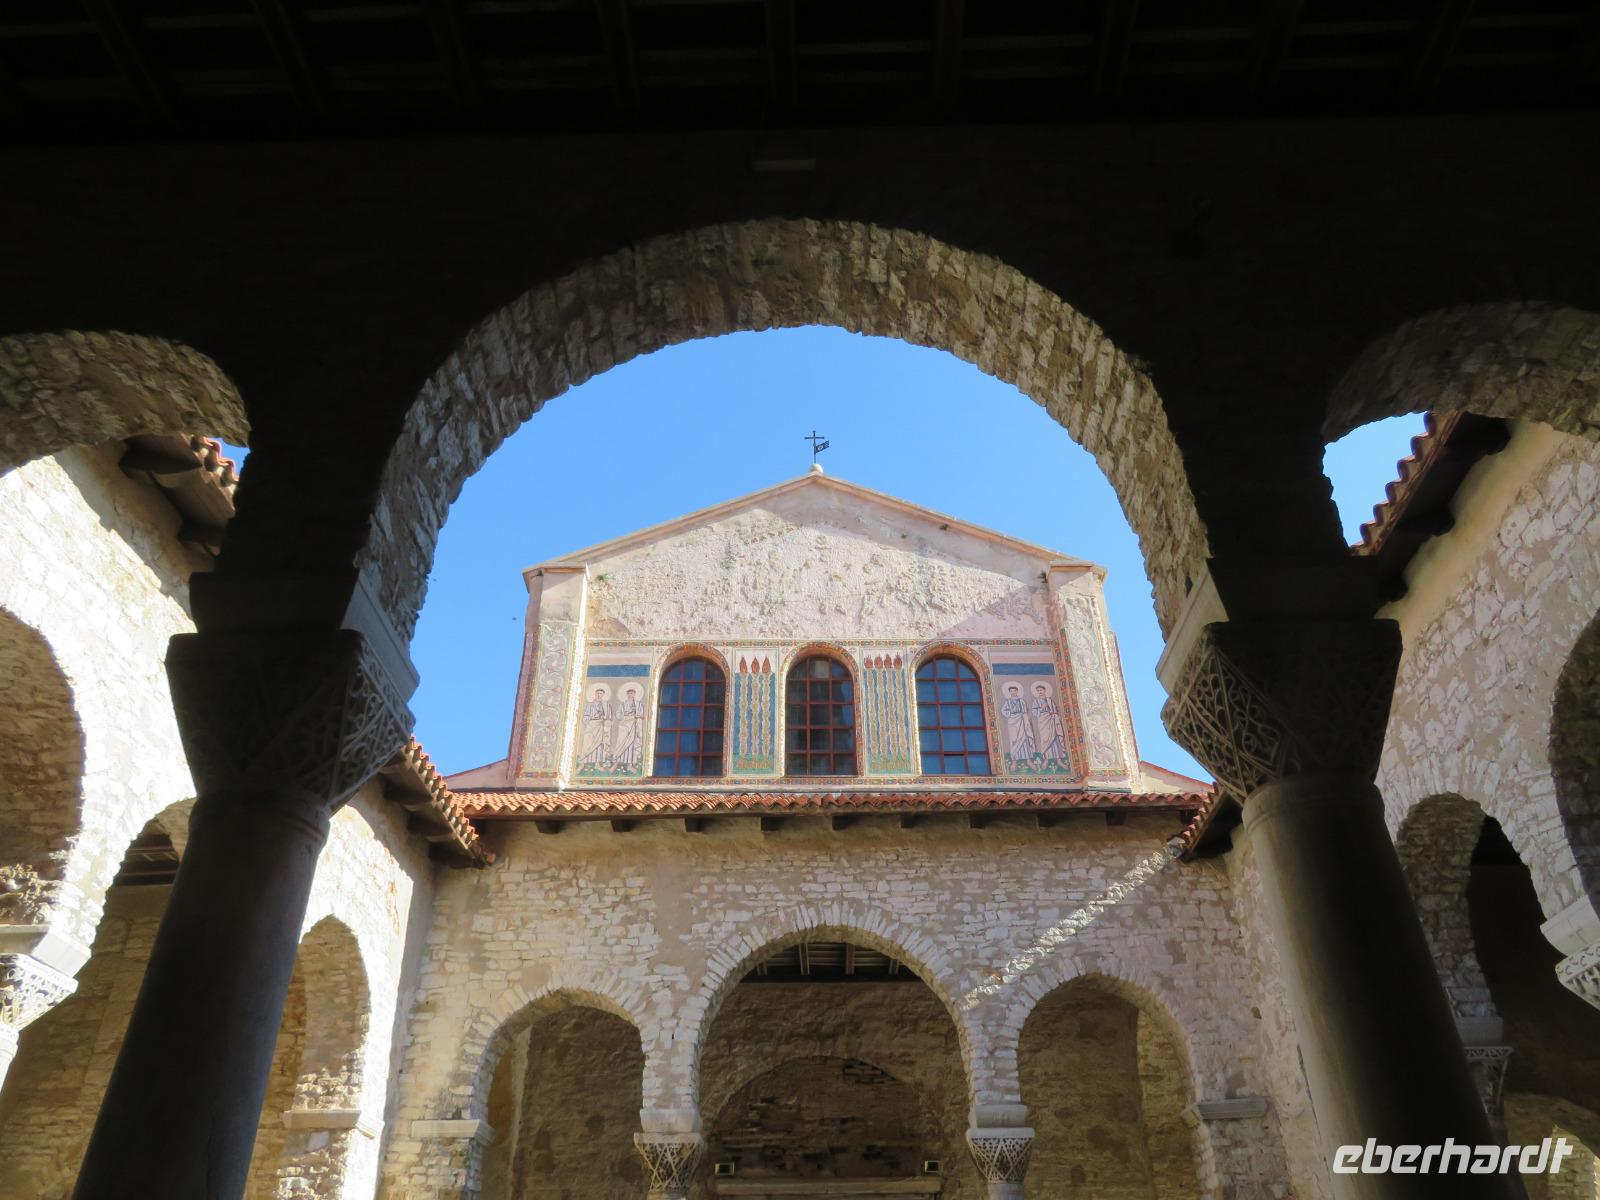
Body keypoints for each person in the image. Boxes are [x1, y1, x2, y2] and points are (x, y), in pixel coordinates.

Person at [1031, 681, 1068, 770]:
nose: (1040, 692)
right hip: (1043, 721)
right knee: (1045, 740)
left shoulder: (1049, 700)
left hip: (1052, 720)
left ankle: (1059, 760)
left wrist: (1054, 715)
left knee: (1055, 740)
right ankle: (1046, 760)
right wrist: (1042, 708)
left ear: (1044, 691)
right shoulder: (1036, 701)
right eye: (1038, 690)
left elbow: (1055, 710)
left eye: (1041, 690)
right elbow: (1034, 712)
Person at [1000, 682, 1036, 767]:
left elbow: (1024, 711)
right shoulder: (1008, 702)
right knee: (1014, 740)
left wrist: (1023, 716)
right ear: (1009, 692)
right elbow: (1004, 711)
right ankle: (1014, 761)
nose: (1013, 692)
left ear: (1017, 691)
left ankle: (1028, 760)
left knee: (1024, 740)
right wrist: (1011, 713)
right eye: (1011, 691)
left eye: (1014, 691)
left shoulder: (1021, 701)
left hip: (1022, 721)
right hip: (1013, 722)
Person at [579, 685, 613, 770]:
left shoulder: (605, 705)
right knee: (587, 743)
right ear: (595, 694)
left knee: (599, 745)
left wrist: (604, 718)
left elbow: (609, 717)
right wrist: (590, 719)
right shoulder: (590, 705)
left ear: (603, 695)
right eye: (597, 693)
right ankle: (583, 763)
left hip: (600, 726)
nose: (599, 695)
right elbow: (585, 716)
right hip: (591, 726)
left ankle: (597, 764)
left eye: (601, 694)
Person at [614, 684, 645, 771]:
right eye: (629, 693)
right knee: (621, 743)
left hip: (633, 726)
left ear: (634, 694)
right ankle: (616, 762)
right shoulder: (623, 704)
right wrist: (625, 714)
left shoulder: (638, 704)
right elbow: (618, 714)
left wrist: (636, 716)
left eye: (632, 693)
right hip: (624, 726)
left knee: (631, 744)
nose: (630, 695)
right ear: (627, 694)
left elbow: (642, 715)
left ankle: (630, 765)